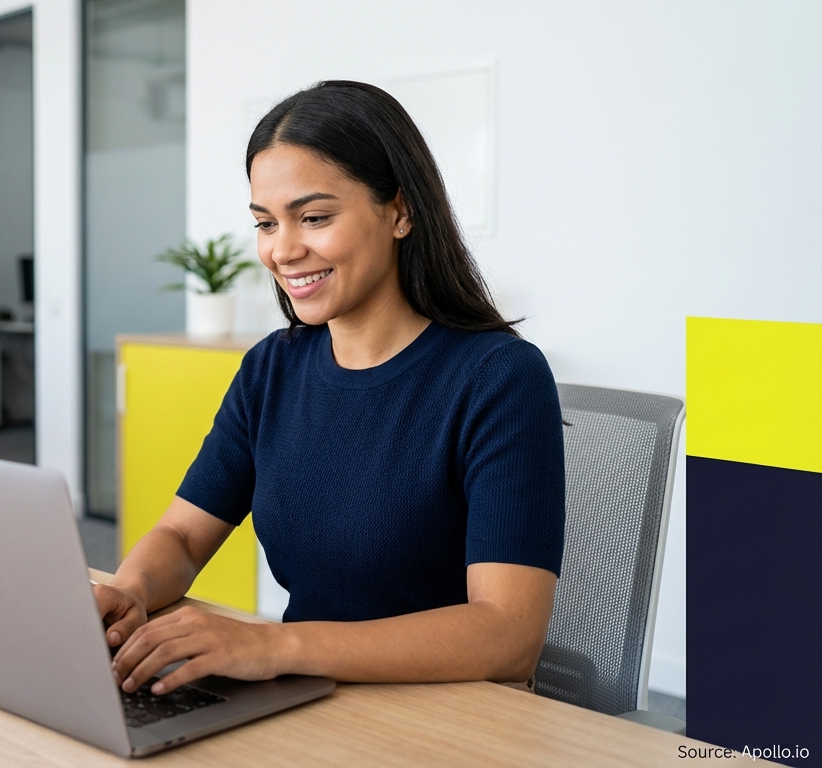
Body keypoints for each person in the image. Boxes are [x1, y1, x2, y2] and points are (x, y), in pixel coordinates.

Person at [98, 81, 566, 697]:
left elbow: (507, 637)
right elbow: (183, 537)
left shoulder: (500, 378)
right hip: (312, 698)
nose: (283, 250)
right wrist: (128, 592)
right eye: (266, 223)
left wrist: (277, 645)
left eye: (314, 217)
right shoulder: (272, 369)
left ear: (400, 211)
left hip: (451, 715)